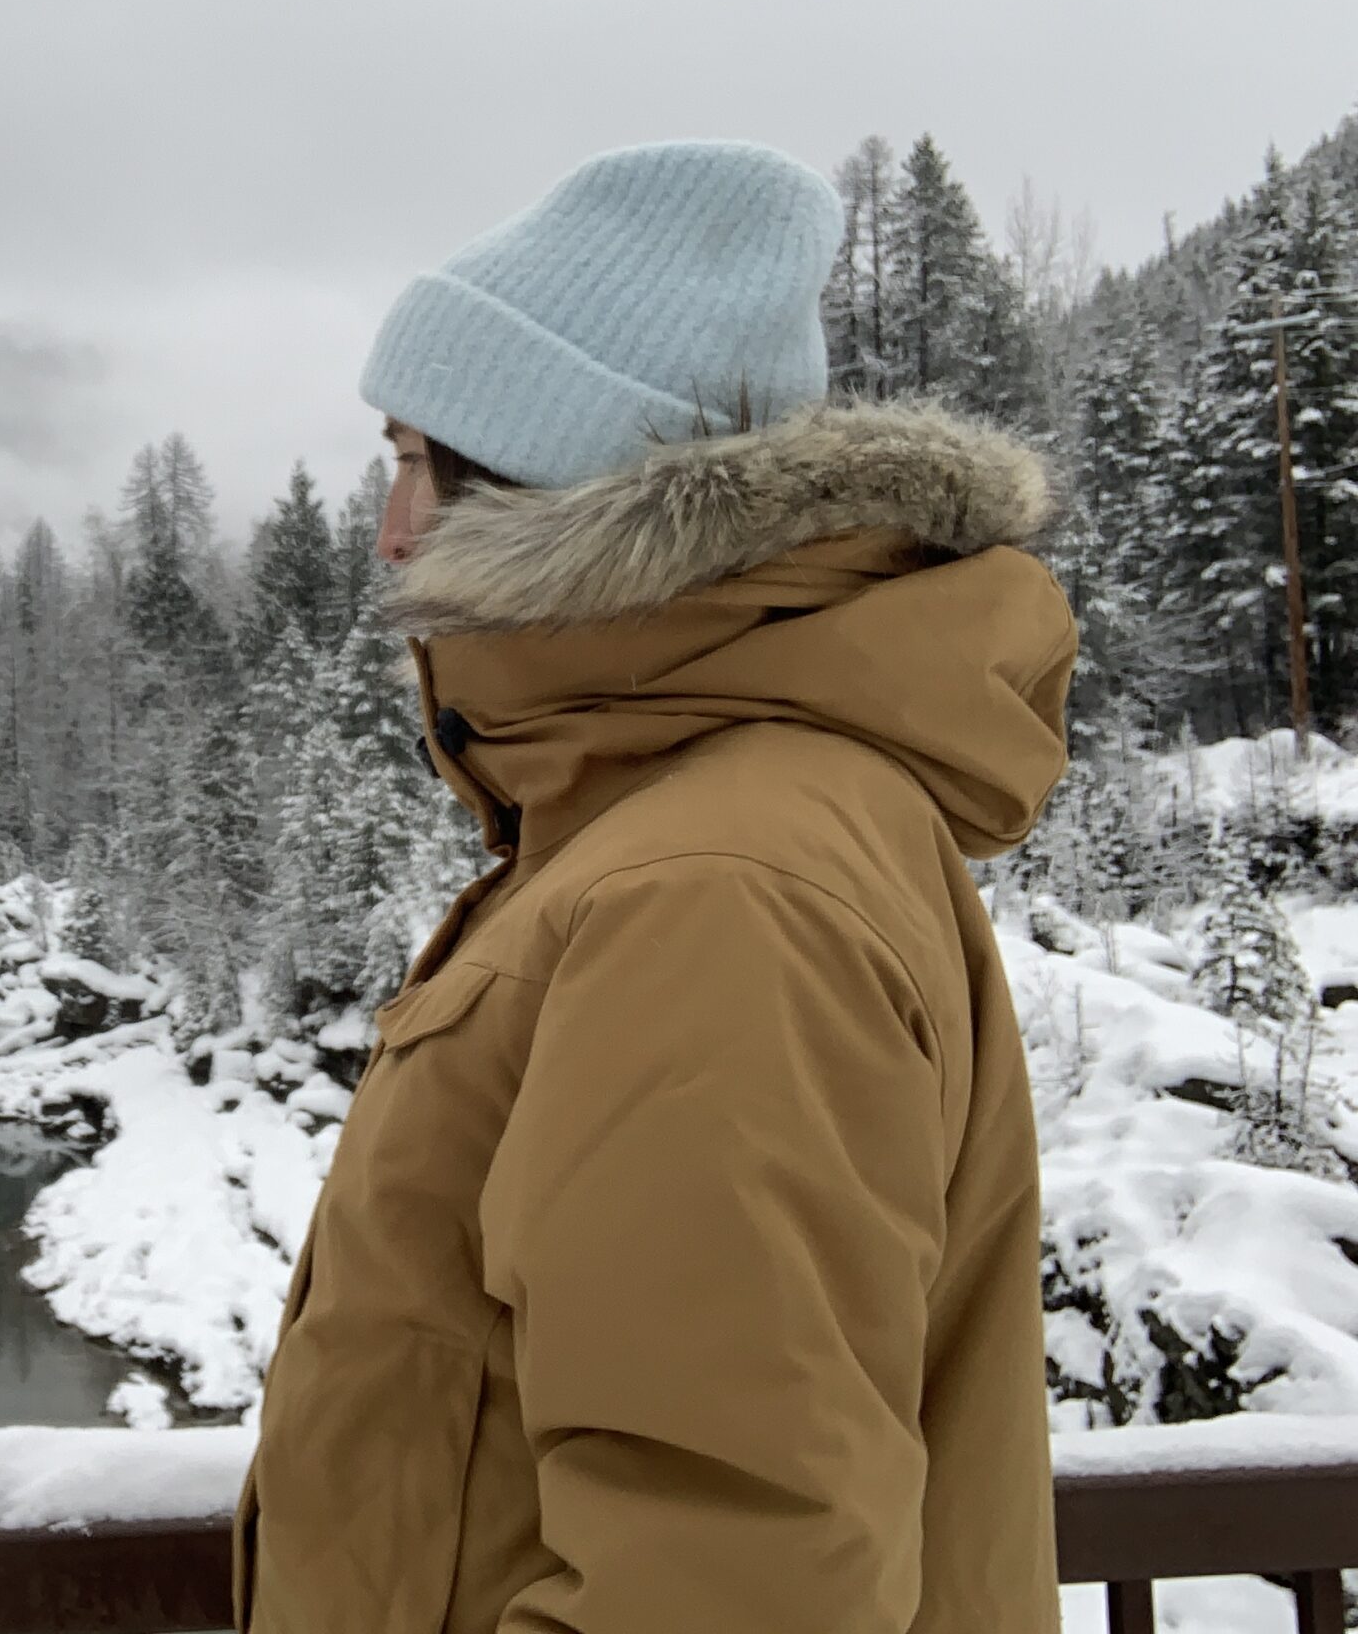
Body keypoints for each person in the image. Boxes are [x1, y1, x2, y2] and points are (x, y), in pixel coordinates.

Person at [233, 140, 1074, 1634]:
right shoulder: (692, 824)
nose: (389, 530)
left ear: (562, 479)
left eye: (418, 461)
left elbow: (737, 1568)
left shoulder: (713, 887)